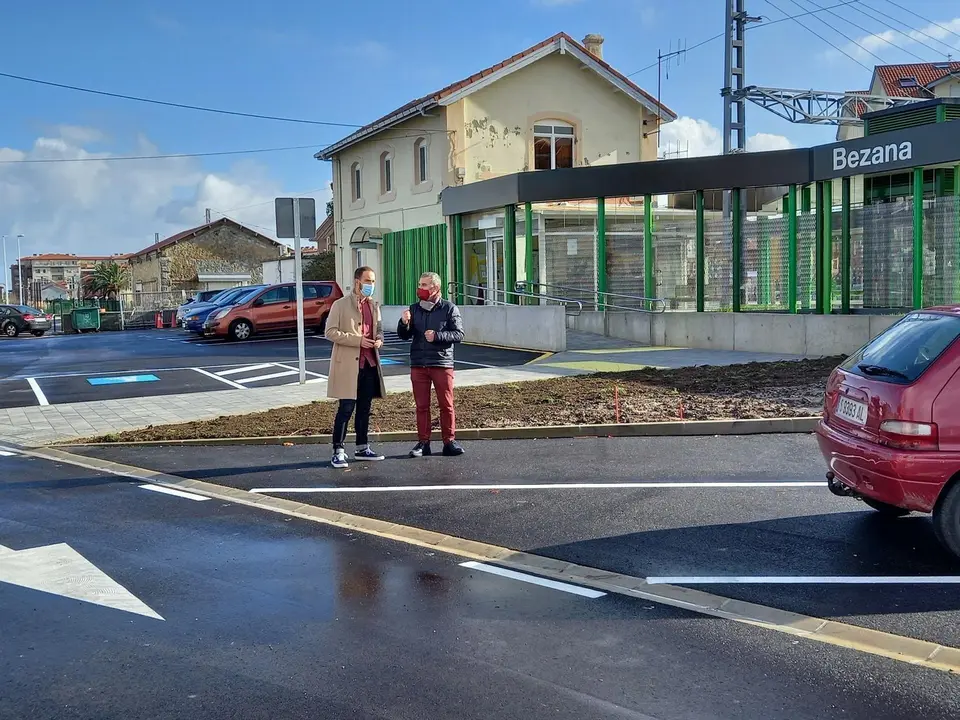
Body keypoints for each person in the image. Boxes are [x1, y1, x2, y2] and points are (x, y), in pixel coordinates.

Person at [397, 271, 465, 458]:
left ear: (436, 288)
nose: (420, 289)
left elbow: (459, 334)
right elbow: (403, 335)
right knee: (422, 406)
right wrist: (404, 323)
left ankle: (449, 442)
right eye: (420, 284)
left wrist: (437, 336)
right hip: (419, 364)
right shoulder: (414, 309)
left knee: (446, 404)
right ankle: (423, 443)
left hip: (441, 363)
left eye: (424, 285)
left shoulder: (449, 308)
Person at [324, 266, 387, 468]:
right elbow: (330, 332)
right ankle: (338, 450)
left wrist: (379, 340)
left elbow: (379, 331)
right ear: (357, 281)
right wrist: (357, 340)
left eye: (373, 282)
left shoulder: (374, 306)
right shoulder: (340, 305)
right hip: (349, 364)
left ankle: (362, 447)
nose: (371, 285)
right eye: (368, 281)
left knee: (365, 408)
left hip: (369, 363)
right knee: (346, 407)